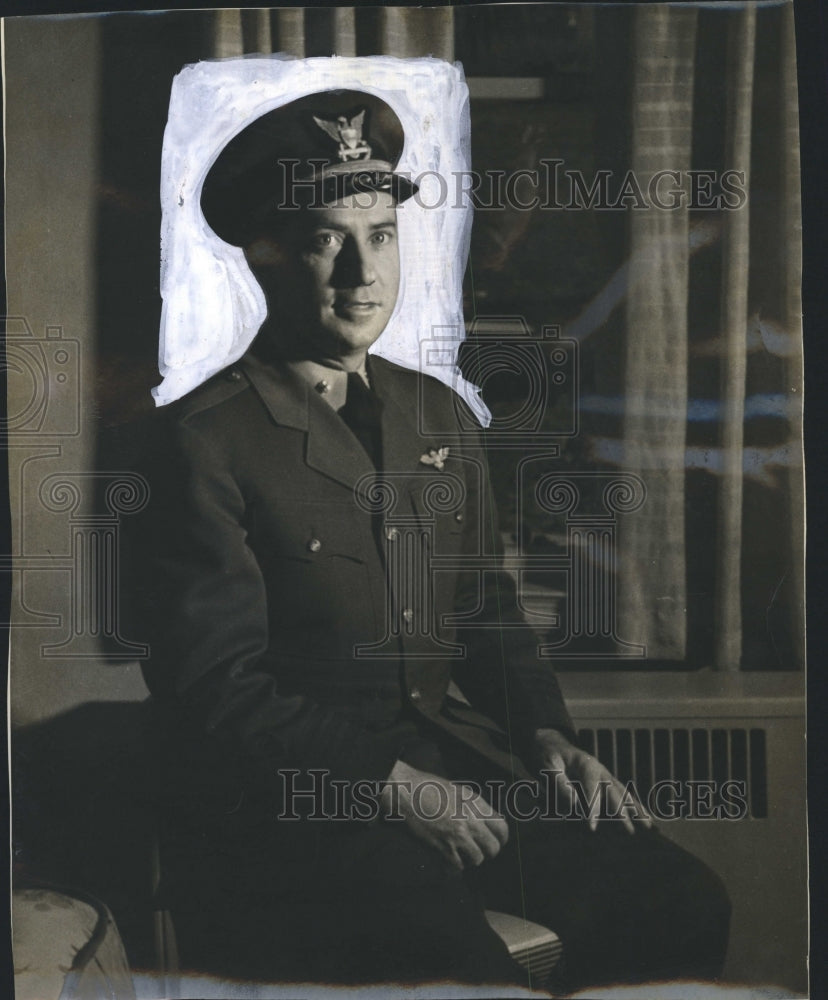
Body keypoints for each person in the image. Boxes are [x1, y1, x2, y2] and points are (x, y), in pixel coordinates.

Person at [129, 88, 730, 992]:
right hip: (301, 810)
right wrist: (388, 781)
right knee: (461, 972)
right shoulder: (203, 440)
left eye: (381, 235)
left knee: (680, 902)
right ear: (265, 254)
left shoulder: (435, 412)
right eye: (328, 239)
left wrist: (544, 735)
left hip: (455, 771)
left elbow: (483, 608)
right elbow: (215, 688)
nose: (362, 273)